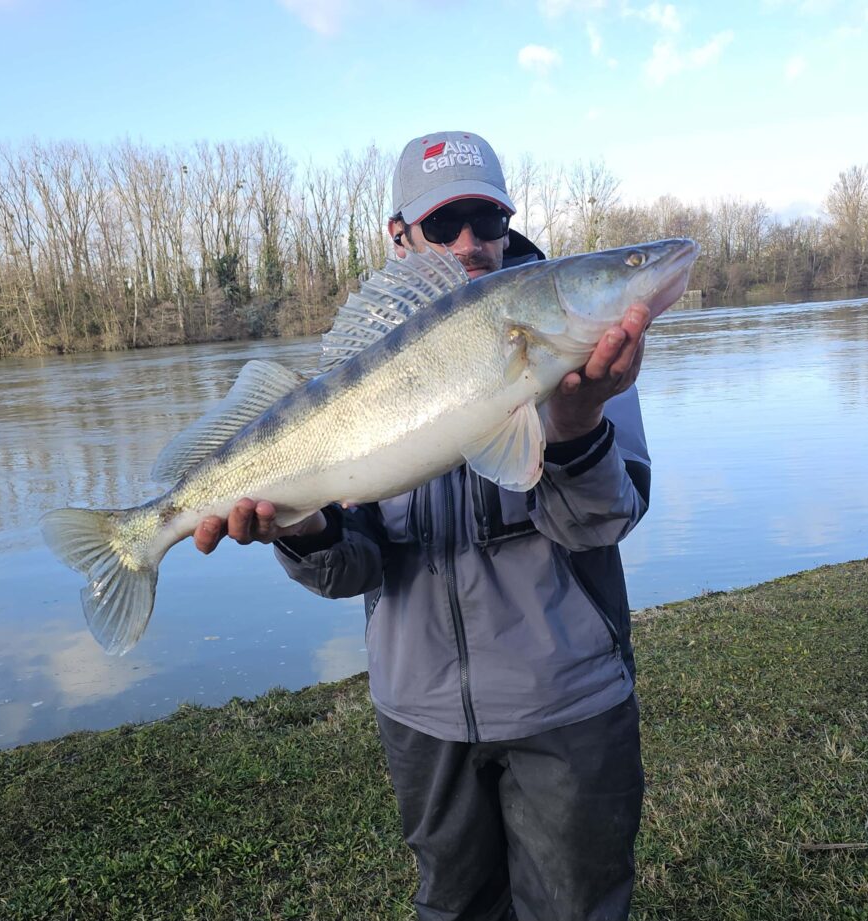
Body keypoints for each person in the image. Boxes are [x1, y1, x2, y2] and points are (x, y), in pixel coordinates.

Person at [194, 131, 653, 921]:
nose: (470, 244)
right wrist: (299, 531)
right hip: (423, 713)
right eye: (444, 227)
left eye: (486, 219)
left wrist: (575, 427)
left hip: (567, 702)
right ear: (399, 236)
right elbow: (355, 569)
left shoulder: (579, 359)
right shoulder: (359, 367)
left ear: (509, 224)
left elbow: (604, 522)